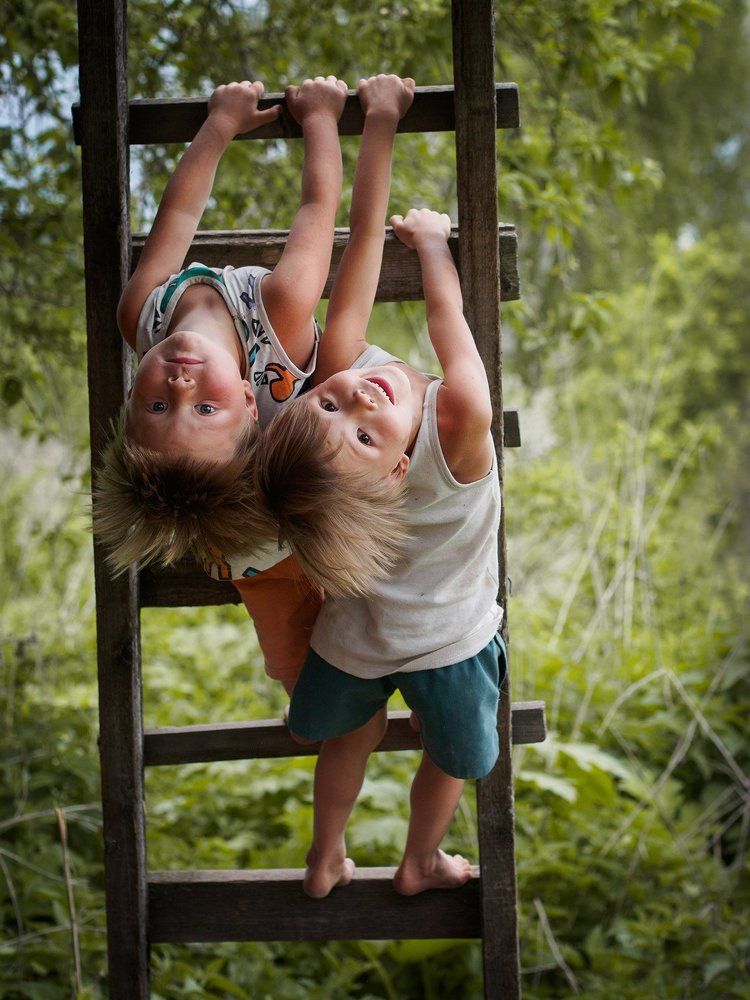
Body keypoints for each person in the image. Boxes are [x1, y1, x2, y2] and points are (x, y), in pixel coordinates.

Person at [255, 88, 504, 895]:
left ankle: (325, 855)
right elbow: (446, 316)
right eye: (361, 432)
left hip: (356, 639)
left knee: (349, 734)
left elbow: (358, 241)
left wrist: (382, 123)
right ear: (397, 472)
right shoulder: (459, 419)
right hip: (449, 641)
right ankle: (420, 859)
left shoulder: (351, 376)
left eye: (328, 402)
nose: (356, 397)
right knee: (448, 754)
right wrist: (432, 243)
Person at [93, 75, 411, 694]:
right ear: (245, 399)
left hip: (282, 512)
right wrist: (320, 119)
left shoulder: (141, 314)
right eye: (204, 406)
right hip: (251, 534)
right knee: (293, 648)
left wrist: (219, 125)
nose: (183, 382)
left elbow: (178, 215)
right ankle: (322, 710)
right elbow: (317, 210)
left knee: (360, 616)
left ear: (133, 397)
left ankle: (373, 690)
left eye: (161, 402)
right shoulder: (282, 315)